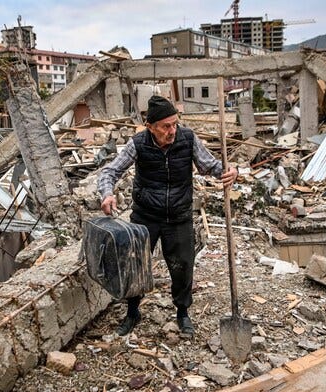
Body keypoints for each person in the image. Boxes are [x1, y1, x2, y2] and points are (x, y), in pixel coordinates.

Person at [97, 95, 238, 337]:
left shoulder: (187, 138)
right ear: (150, 127)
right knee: (135, 265)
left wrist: (228, 171)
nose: (172, 130)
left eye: (174, 124)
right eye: (165, 126)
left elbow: (210, 166)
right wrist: (107, 194)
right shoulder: (138, 143)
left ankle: (182, 313)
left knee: (183, 266)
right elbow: (110, 171)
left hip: (179, 215)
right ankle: (132, 312)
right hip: (146, 217)